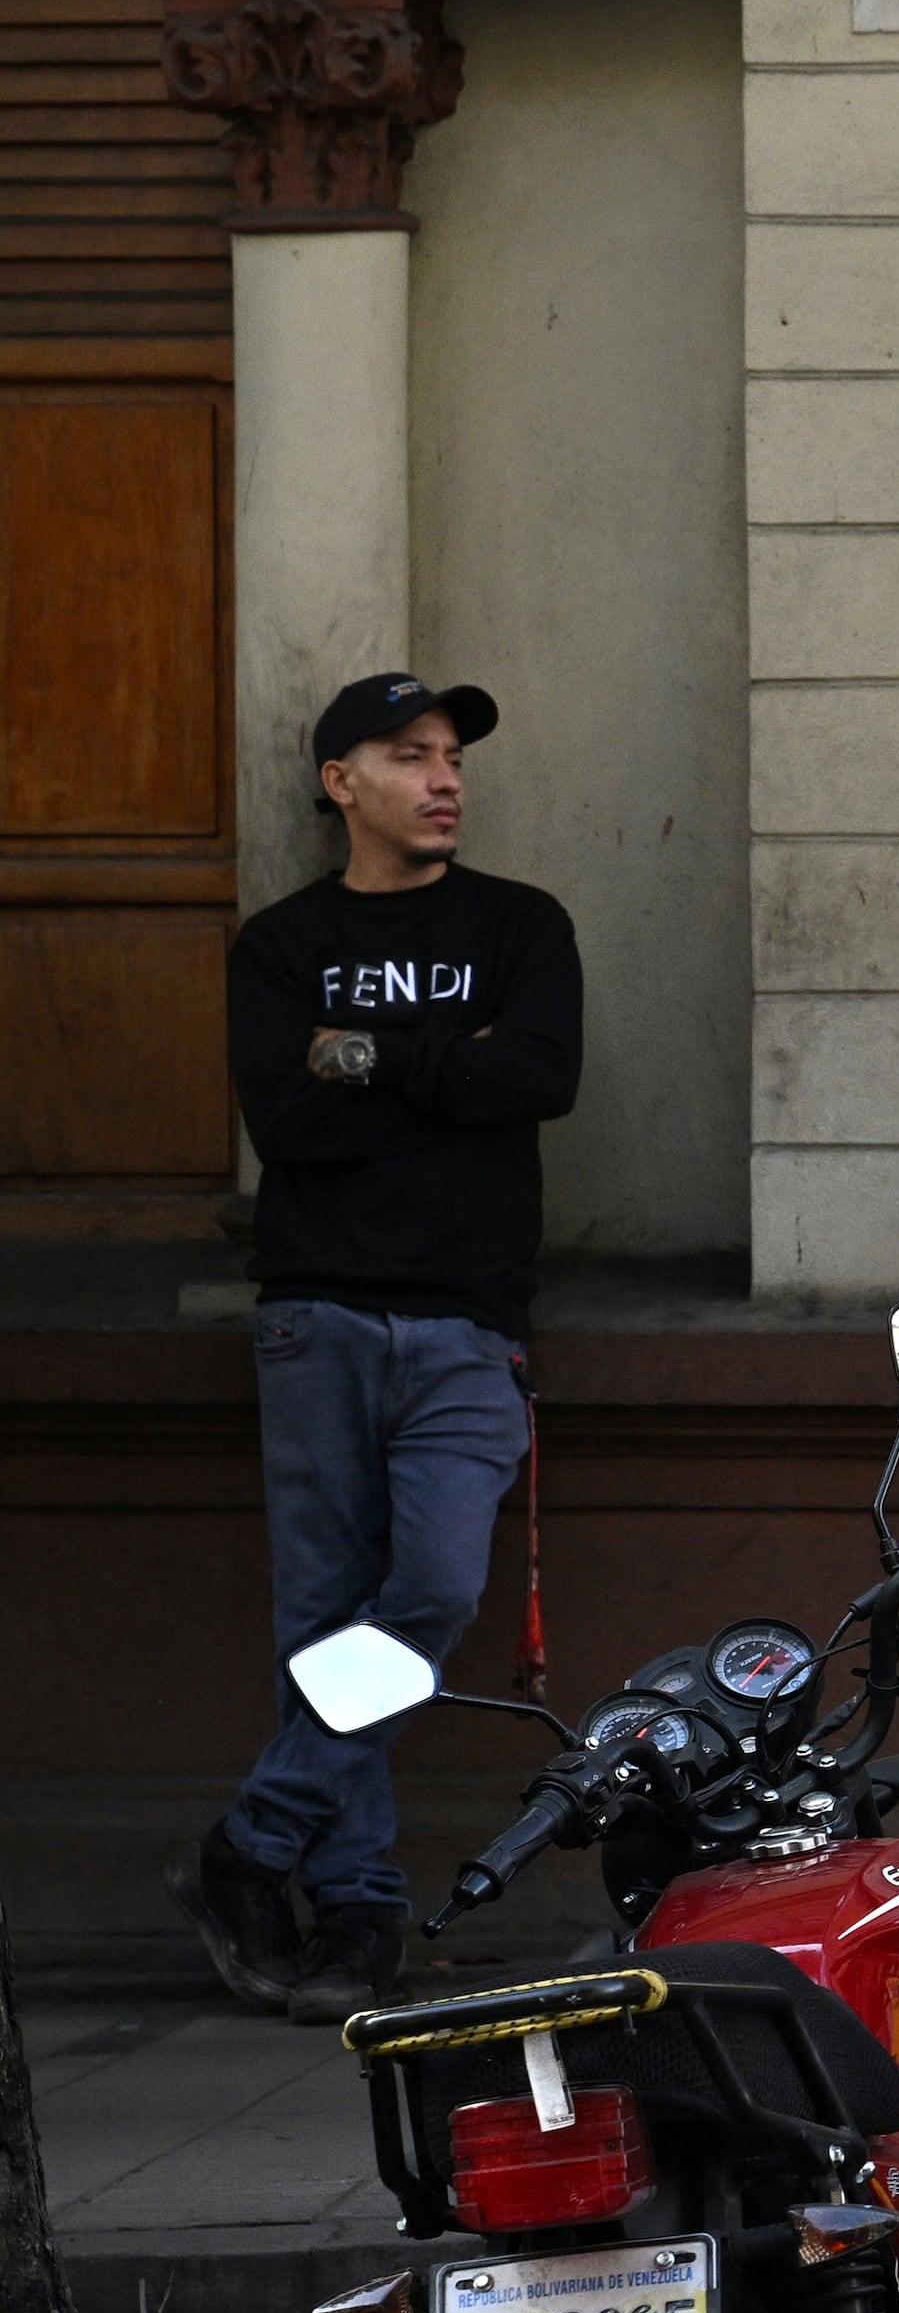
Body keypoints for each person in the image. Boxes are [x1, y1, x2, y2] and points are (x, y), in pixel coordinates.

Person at [169, 672, 583, 2027]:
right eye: (410, 755)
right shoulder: (282, 946)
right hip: (317, 1318)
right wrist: (439, 1063)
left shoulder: (520, 926)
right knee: (324, 1624)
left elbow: (538, 1079)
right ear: (341, 781)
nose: (444, 777)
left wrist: (366, 1058)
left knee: (430, 1590)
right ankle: (352, 1909)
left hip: (468, 1325)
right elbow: (289, 1124)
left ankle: (249, 1843)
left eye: (453, 754)